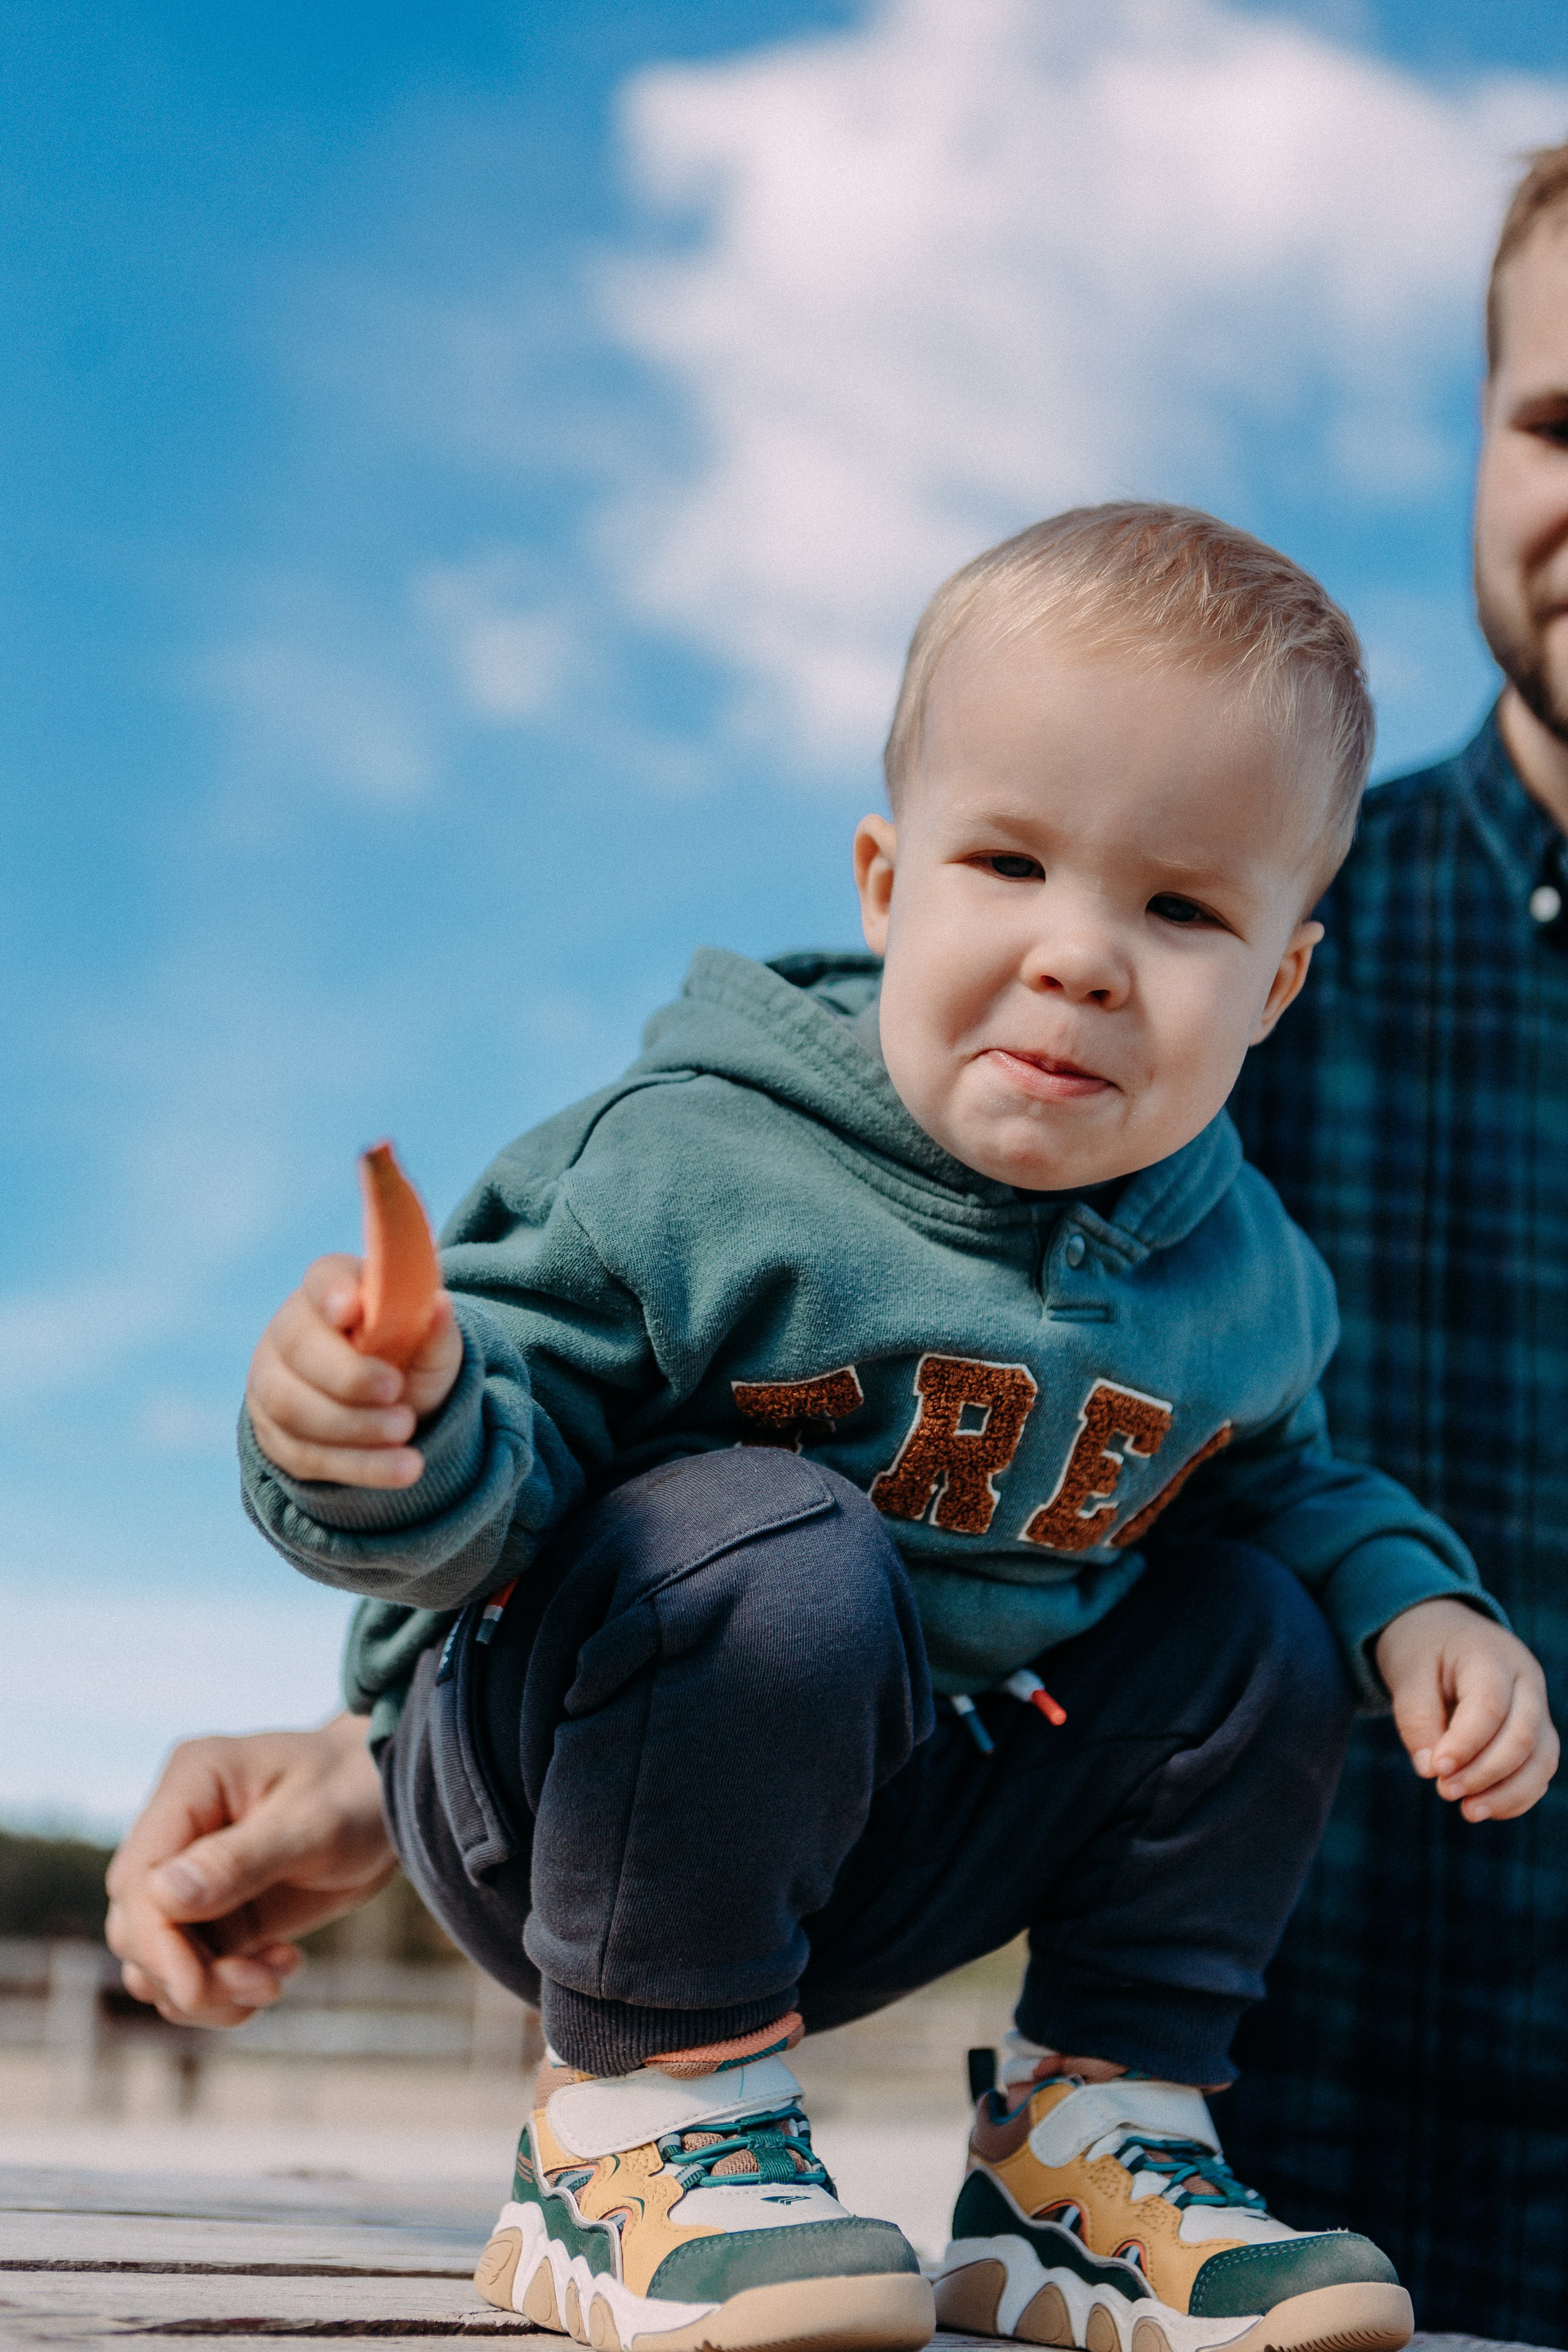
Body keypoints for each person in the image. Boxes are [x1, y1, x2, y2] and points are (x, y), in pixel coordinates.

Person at [107, 506, 1555, 2352]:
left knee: (1258, 1615)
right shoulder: (692, 1166)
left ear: (1277, 983)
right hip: (559, 1800)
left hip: (906, 1828)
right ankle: (635, 2129)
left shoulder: (1244, 1271)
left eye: (1181, 908)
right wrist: (376, 1432)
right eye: (1011, 862)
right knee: (781, 1540)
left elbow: (1287, 1480)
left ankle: (1084, 2142)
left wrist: (1412, 1609)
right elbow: (505, 1446)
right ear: (888, 884)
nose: (1084, 955)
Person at [1219, 140, 1568, 2345]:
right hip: (1274, 2236)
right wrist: (417, 1760)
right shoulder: (1249, 956)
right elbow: (877, 1380)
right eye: (1563, 423)